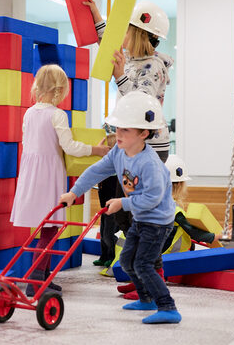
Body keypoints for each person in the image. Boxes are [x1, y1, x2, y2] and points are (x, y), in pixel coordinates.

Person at [60, 91, 181, 324]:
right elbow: (97, 170)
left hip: (157, 222)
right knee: (126, 261)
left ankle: (168, 307)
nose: (118, 134)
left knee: (143, 264)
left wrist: (122, 203)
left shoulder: (150, 164)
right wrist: (74, 192)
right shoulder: (119, 152)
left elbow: (153, 198)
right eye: (118, 128)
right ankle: (146, 299)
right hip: (141, 218)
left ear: (143, 133)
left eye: (125, 130)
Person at [10, 64, 109, 296]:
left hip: (30, 173)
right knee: (50, 228)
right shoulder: (57, 115)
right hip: (48, 174)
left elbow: (28, 141)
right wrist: (96, 149)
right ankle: (37, 277)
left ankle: (42, 275)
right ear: (60, 90)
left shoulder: (29, 112)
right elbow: (69, 146)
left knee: (45, 226)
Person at [119, 154, 221, 300]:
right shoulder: (173, 208)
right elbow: (194, 234)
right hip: (164, 251)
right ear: (179, 185)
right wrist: (219, 236)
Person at [83, 0, 173, 163]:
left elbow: (140, 104)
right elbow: (108, 43)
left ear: (137, 36)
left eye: (126, 31)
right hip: (134, 140)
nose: (120, 36)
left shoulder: (152, 67)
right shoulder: (131, 58)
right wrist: (96, 15)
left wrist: (120, 77)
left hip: (150, 145)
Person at [93, 132, 120, 268]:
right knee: (103, 233)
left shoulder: (115, 171)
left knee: (109, 234)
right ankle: (104, 255)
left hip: (113, 208)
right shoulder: (104, 170)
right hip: (104, 207)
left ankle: (113, 256)